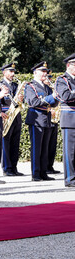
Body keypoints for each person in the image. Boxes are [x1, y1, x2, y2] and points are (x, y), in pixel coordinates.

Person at [24, 61, 58, 182]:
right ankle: (36, 173)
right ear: (35, 72)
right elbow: (32, 102)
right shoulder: (30, 86)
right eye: (43, 71)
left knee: (45, 148)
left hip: (46, 119)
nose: (45, 74)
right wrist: (50, 97)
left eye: (46, 72)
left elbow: (54, 102)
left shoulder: (47, 86)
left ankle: (43, 172)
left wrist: (56, 97)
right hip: (36, 120)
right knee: (36, 148)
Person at [0, 63, 24, 176]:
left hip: (16, 116)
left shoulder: (15, 85)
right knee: (6, 142)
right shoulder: (0, 84)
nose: (13, 74)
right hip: (6, 115)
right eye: (10, 71)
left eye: (13, 71)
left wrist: (20, 99)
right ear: (4, 72)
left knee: (15, 143)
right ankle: (6, 168)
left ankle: (14, 167)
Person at [55, 53, 75, 187]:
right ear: (69, 65)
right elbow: (66, 96)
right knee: (70, 152)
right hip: (69, 119)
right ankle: (70, 179)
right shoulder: (62, 80)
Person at [44, 70, 61, 175]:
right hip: (46, 117)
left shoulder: (51, 89)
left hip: (53, 118)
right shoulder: (43, 89)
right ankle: (44, 167)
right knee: (46, 144)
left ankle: (50, 166)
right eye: (47, 77)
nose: (48, 79)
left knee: (52, 145)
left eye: (50, 77)